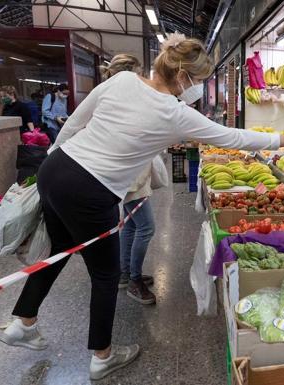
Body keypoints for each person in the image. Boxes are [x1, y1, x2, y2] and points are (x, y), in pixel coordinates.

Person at [0, 33, 284, 381]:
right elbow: (233, 137)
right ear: (183, 76)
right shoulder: (175, 113)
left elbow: (76, 122)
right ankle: (102, 356)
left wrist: (52, 160)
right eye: (197, 81)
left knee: (60, 250)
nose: (197, 87)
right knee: (106, 276)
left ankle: (23, 321)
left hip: (55, 168)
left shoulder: (122, 79)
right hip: (91, 190)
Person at [100, 53, 157, 305]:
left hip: (127, 174)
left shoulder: (112, 96)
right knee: (146, 227)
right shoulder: (122, 100)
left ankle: (125, 274)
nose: (143, 77)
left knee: (132, 226)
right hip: (130, 176)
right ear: (130, 74)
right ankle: (134, 281)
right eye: (140, 72)